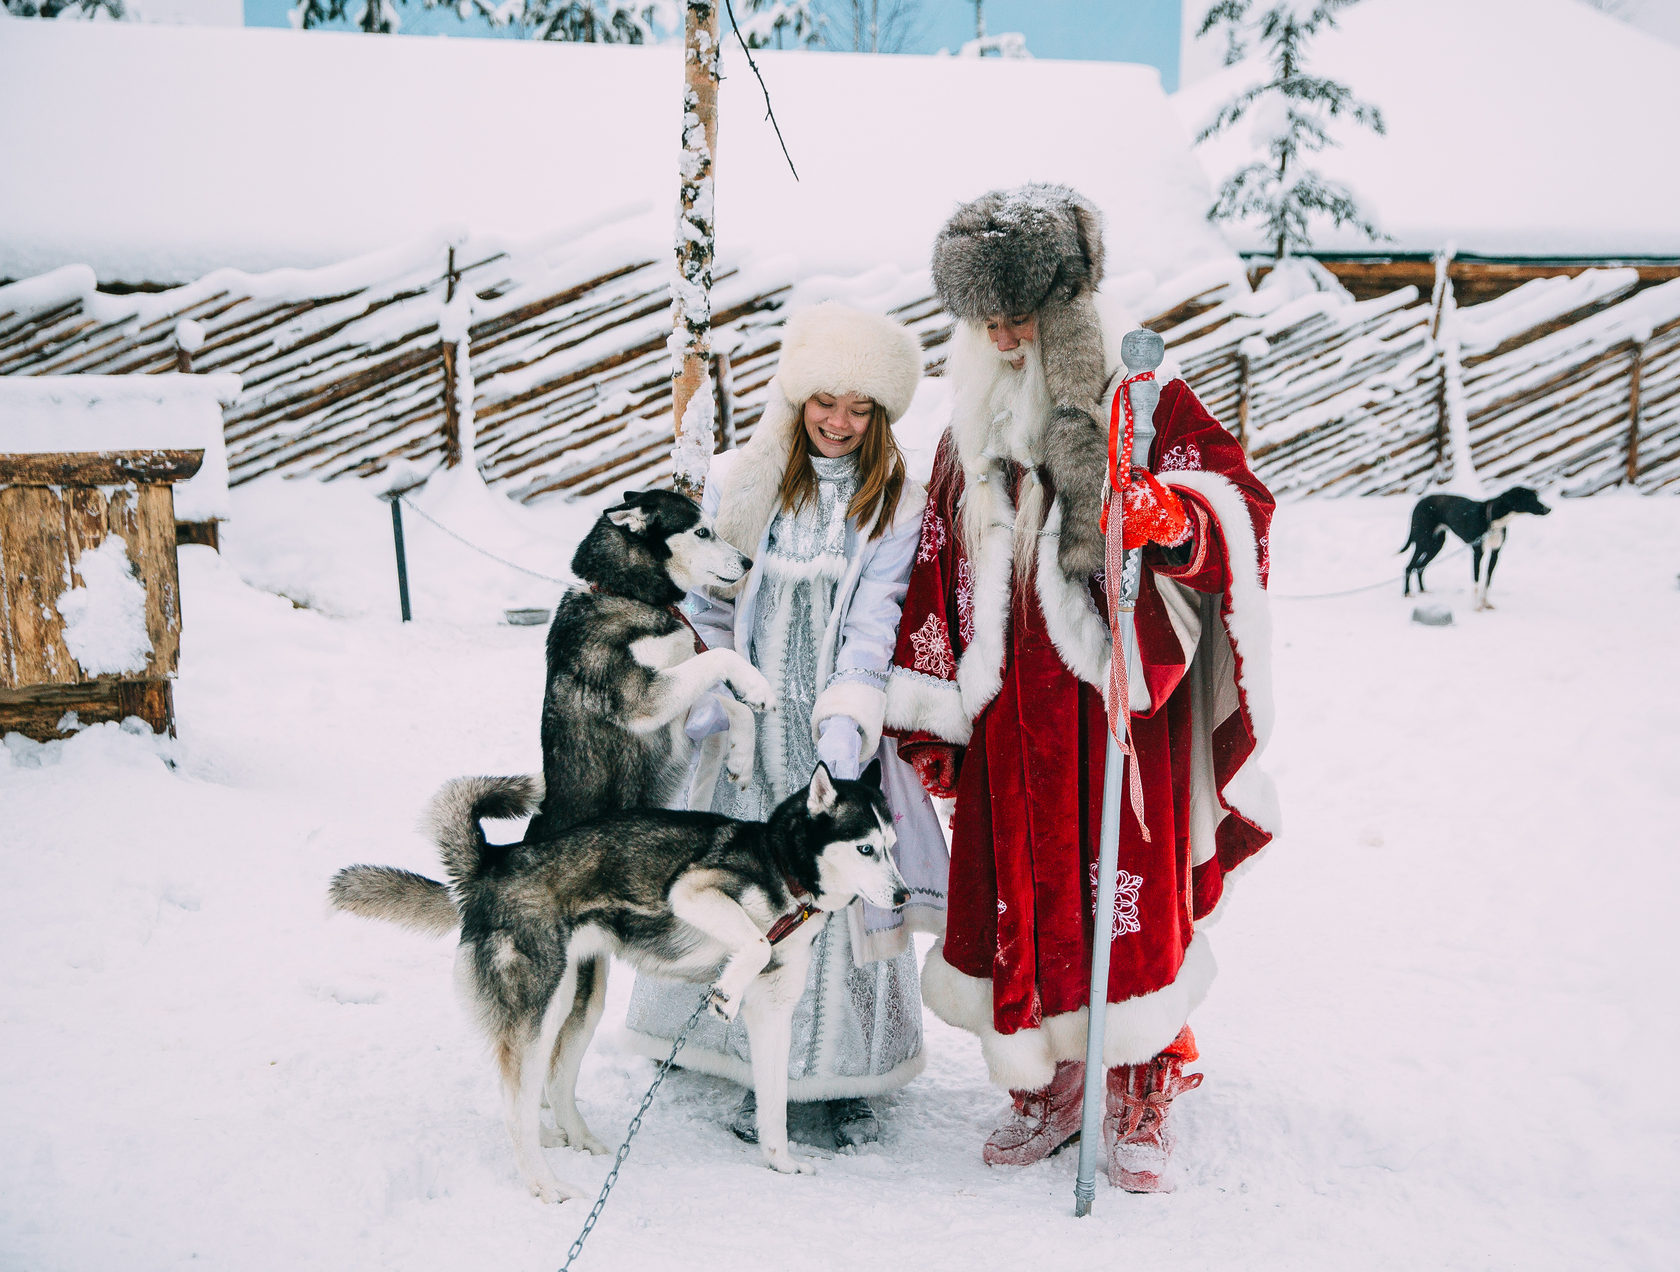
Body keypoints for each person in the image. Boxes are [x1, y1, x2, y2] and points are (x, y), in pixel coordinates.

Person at [884, 185, 1278, 1192]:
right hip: (1012, 712)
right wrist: (933, 698)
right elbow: (936, 559)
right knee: (1022, 882)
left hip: (1117, 705)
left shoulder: (1143, 402)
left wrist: (1172, 516)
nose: (1005, 331)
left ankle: (1138, 1071)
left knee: (1122, 887)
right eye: (986, 316)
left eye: (1022, 309)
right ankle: (1052, 1077)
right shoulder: (963, 430)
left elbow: (1237, 500)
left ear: (1068, 302)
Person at [625, 303, 948, 1148]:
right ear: (798, 396)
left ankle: (832, 1074)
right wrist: (713, 700)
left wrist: (843, 739)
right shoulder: (742, 478)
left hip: (837, 731)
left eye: (860, 407)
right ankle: (736, 1051)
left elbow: (876, 622)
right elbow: (708, 599)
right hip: (748, 725)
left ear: (881, 416)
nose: (838, 422)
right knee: (739, 883)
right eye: (825, 400)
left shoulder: (895, 501)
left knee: (834, 889)